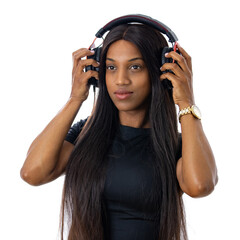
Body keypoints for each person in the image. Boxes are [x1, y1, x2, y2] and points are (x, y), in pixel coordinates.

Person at [20, 21, 218, 240]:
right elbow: (32, 173)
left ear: (161, 70)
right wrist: (76, 98)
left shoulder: (175, 146)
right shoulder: (85, 133)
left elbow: (200, 186)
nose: (120, 80)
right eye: (111, 67)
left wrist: (185, 101)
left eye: (135, 67)